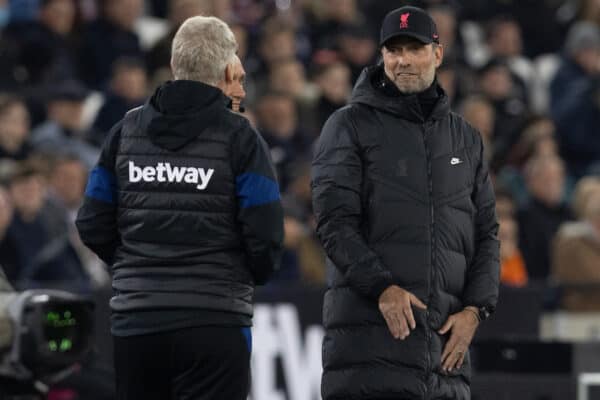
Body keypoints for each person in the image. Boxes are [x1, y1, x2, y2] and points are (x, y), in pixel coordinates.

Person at [75, 16, 284, 400]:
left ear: (175, 67)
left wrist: (135, 265)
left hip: (137, 324)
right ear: (226, 70)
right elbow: (266, 234)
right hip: (215, 323)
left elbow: (91, 222)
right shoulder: (242, 138)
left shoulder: (124, 132)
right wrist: (236, 277)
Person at [311, 6, 500, 399]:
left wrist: (475, 311)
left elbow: (487, 233)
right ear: (382, 57)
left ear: (437, 54)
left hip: (446, 359)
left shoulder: (465, 140)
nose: (403, 61)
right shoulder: (347, 126)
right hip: (368, 351)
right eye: (393, 51)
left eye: (413, 49)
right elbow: (334, 223)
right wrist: (382, 287)